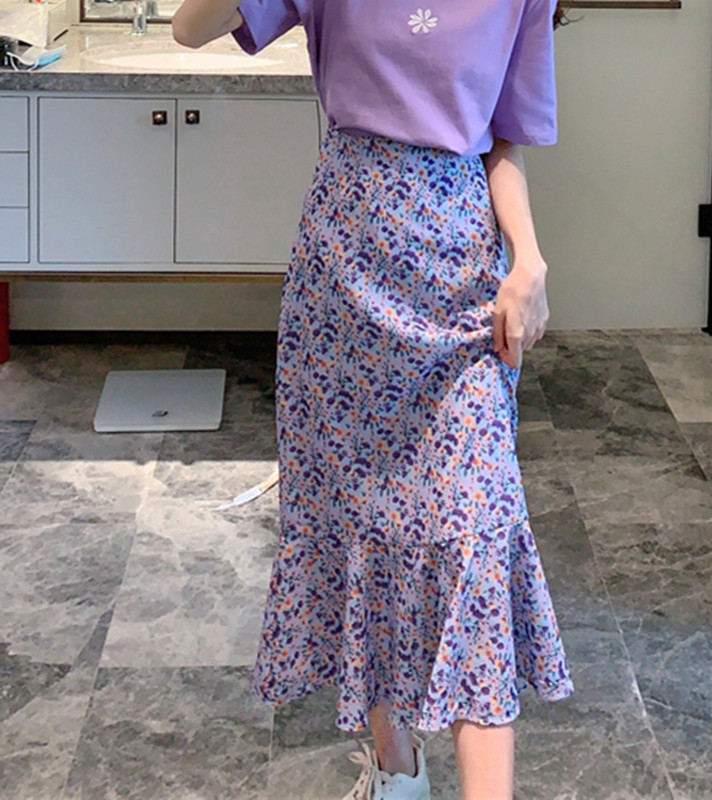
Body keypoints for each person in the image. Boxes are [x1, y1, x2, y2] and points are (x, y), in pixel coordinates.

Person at [172, 2, 576, 798]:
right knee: (366, 520)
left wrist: (528, 259)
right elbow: (190, 28)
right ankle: (397, 773)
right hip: (346, 280)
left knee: (476, 535)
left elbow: (504, 141)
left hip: (461, 287)